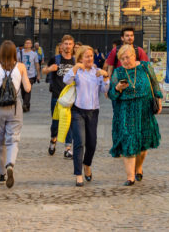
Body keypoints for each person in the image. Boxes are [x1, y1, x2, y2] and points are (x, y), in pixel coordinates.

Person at [108, 44, 162, 186]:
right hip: (125, 111)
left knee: (143, 144)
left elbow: (155, 84)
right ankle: (130, 176)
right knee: (128, 140)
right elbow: (111, 94)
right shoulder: (118, 72)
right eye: (122, 59)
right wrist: (118, 88)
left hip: (144, 109)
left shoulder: (145, 67)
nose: (126, 61)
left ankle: (139, 167)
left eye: (128, 57)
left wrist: (159, 100)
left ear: (134, 56)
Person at [0, 40, 31, 188]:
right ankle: (10, 164)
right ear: (14, 53)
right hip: (15, 106)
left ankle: (1, 174)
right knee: (13, 138)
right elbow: (28, 88)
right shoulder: (21, 67)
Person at [63, 45, 109, 187]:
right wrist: (75, 68)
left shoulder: (96, 72)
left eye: (90, 56)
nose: (89, 58)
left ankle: (87, 164)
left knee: (92, 143)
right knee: (79, 142)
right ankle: (78, 174)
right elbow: (66, 80)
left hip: (93, 111)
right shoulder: (77, 72)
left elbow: (104, 90)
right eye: (86, 56)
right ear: (80, 58)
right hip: (78, 110)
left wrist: (105, 76)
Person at [42, 35, 76, 157]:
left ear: (73, 46)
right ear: (61, 45)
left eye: (70, 44)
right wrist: (49, 69)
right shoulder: (55, 59)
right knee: (56, 123)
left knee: (69, 122)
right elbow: (43, 71)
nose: (67, 46)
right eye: (65, 43)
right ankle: (53, 139)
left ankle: (68, 148)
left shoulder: (75, 61)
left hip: (71, 98)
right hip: (57, 96)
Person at [16, 39, 40, 112]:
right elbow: (16, 63)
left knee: (28, 90)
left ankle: (25, 105)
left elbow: (36, 64)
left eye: (29, 43)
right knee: (23, 91)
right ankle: (27, 104)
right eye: (26, 43)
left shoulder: (34, 54)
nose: (27, 44)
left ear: (31, 45)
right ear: (24, 44)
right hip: (21, 75)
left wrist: (38, 74)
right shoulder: (19, 53)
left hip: (31, 75)